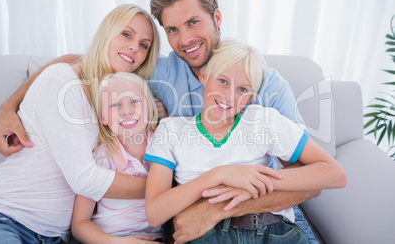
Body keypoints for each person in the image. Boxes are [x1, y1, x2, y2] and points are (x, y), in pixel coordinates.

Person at [0, 0, 319, 243]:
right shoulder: (157, 75)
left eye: (193, 22)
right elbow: (86, 63)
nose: (186, 39)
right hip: (177, 219)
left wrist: (212, 209)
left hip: (268, 218)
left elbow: (312, 179)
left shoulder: (266, 82)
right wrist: (10, 104)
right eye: (173, 30)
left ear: (216, 18)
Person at [144, 39, 347, 243]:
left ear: (250, 97)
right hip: (208, 234)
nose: (229, 96)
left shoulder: (263, 120)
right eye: (223, 81)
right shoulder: (171, 130)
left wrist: (252, 185)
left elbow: (335, 174)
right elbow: (155, 213)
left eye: (242, 90)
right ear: (203, 76)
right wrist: (219, 175)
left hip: (273, 229)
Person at [0, 4, 161, 243]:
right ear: (106, 33)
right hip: (7, 216)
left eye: (144, 45)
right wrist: (167, 188)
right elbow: (84, 178)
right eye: (126, 34)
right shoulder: (62, 80)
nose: (135, 46)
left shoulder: (115, 101)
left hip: (54, 236)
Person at [71, 72, 163, 243]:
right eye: (115, 105)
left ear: (150, 108)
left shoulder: (164, 145)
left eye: (135, 101)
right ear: (103, 118)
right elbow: (79, 224)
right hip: (110, 239)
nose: (127, 111)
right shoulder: (101, 156)